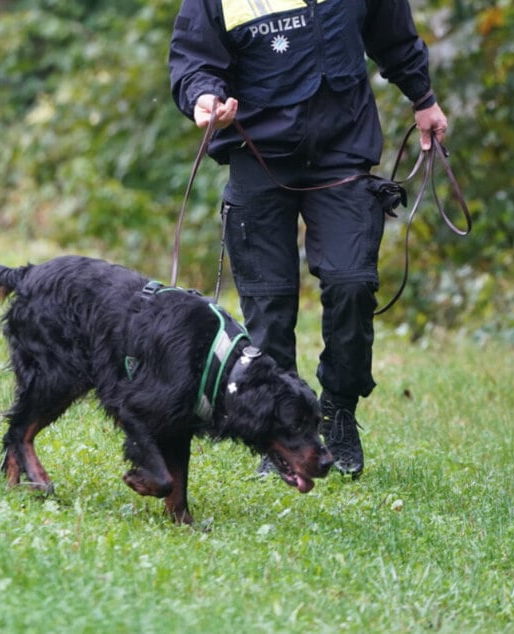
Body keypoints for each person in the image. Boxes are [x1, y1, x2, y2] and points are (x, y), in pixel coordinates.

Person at [169, 1, 448, 478]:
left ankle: (339, 409)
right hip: (254, 151)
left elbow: (392, 33)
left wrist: (423, 98)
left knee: (352, 283)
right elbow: (195, 59)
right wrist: (204, 99)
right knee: (269, 306)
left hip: (342, 150)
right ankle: (280, 435)